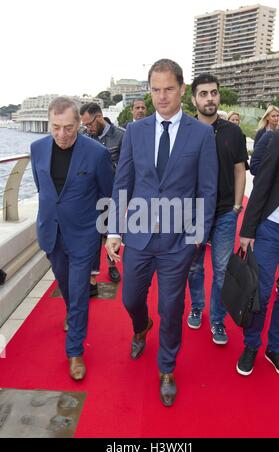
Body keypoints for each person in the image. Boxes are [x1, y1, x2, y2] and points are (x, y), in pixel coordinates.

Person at [106, 59, 218, 407]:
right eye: (155, 90)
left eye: (169, 89)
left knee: (171, 308)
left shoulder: (200, 133)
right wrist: (113, 229)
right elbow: (122, 182)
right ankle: (141, 326)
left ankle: (167, 368)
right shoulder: (135, 131)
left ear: (182, 89)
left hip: (177, 241)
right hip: (138, 235)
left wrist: (198, 232)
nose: (162, 97)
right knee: (130, 299)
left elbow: (208, 188)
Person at [31, 97, 114, 380]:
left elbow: (108, 195)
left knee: (79, 292)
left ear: (79, 123)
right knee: (65, 285)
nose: (62, 134)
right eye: (56, 127)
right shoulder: (37, 149)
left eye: (68, 127)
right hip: (51, 234)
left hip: (83, 235)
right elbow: (44, 189)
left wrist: (105, 233)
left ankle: (75, 350)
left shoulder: (96, 153)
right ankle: (72, 314)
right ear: (49, 123)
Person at [187, 73, 248, 344]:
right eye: (203, 93)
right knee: (194, 268)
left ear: (218, 95)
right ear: (194, 99)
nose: (209, 98)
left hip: (225, 212)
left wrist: (236, 206)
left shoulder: (233, 132)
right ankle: (197, 306)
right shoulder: (186, 131)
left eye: (213, 92)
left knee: (222, 269)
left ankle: (217, 320)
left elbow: (239, 170)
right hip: (193, 213)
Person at [237, 126, 279, 379]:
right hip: (272, 229)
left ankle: (275, 349)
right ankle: (251, 345)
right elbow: (261, 185)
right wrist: (247, 229)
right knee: (259, 293)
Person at [80, 103, 124, 293]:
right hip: (91, 196)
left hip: (114, 194)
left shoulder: (122, 136)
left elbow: (127, 168)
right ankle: (92, 276)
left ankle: (112, 265)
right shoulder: (84, 138)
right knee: (93, 236)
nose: (87, 128)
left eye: (89, 124)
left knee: (112, 232)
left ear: (99, 117)